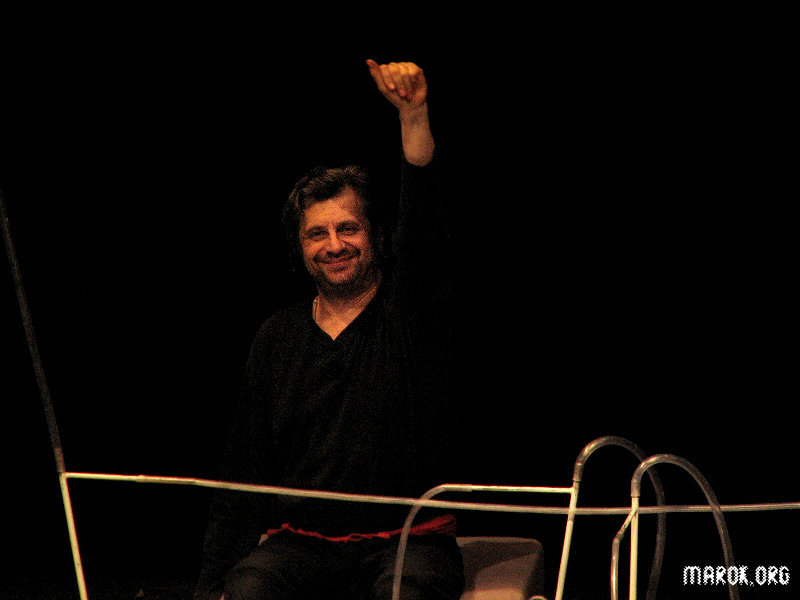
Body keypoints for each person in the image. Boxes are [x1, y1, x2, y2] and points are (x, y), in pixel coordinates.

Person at [194, 59, 464, 600]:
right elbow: (243, 474)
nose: (334, 245)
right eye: (317, 234)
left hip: (410, 541)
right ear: (300, 248)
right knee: (248, 591)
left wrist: (413, 118)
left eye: (348, 228)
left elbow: (425, 234)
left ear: (376, 235)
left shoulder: (411, 315)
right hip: (305, 544)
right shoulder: (277, 337)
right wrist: (211, 587)